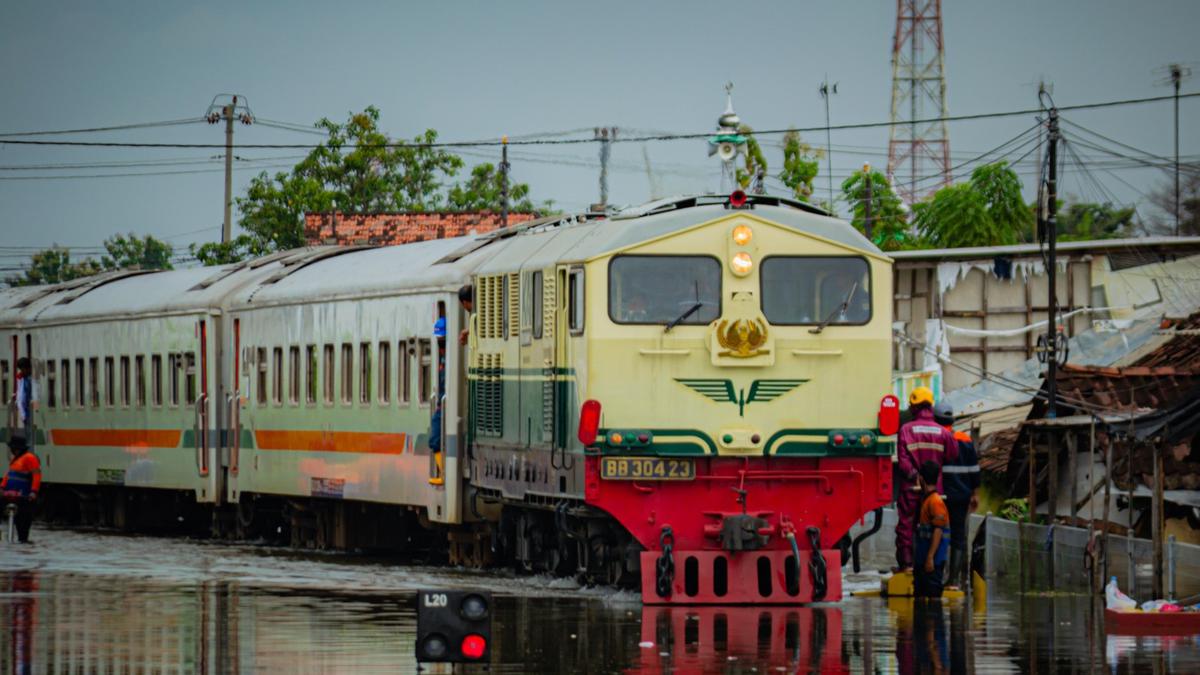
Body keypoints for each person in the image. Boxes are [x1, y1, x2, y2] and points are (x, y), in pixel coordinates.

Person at [894, 386, 958, 572]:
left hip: (911, 487)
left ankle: (907, 565)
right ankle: (932, 564)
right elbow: (953, 454)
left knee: (906, 526)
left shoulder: (905, 430)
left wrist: (915, 476)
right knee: (935, 527)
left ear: (914, 407)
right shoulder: (943, 432)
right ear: (930, 406)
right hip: (934, 489)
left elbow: (903, 461)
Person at [934, 401, 980, 589]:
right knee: (958, 535)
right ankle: (953, 580)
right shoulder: (964, 439)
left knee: (936, 532)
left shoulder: (935, 437)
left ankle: (936, 575)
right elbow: (974, 469)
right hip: (962, 495)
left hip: (939, 495)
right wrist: (975, 493)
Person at [914, 460, 951, 599]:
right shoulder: (927, 500)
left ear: (921, 479)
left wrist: (930, 557)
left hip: (932, 563)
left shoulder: (935, 502)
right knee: (920, 599)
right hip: (924, 562)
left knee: (933, 601)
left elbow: (938, 530)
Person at [1, 436, 41, 543]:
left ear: (16, 448)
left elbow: (36, 476)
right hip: (10, 495)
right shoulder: (16, 460)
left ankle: (23, 542)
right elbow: (8, 475)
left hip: (24, 497)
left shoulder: (30, 458)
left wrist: (33, 492)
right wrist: (2, 487)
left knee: (23, 523)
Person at [428, 317, 447, 486]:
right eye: (439, 344)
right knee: (434, 439)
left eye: (443, 344)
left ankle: (444, 473)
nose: (441, 348)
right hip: (442, 404)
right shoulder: (442, 359)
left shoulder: (449, 359)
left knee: (435, 438)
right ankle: (443, 471)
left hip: (445, 406)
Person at [14, 357, 37, 449]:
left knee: (30, 439)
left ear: (28, 368)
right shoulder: (22, 379)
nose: (21, 371)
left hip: (30, 412)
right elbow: (20, 396)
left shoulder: (31, 380)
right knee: (28, 437)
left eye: (22, 369)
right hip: (26, 413)